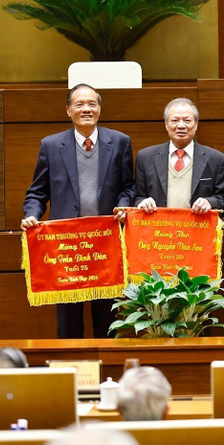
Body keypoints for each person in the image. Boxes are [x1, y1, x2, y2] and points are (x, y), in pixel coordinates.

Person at [21, 83, 135, 339]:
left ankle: (108, 376)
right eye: (80, 104)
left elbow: (129, 187)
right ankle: (71, 374)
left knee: (107, 319)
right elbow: (38, 192)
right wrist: (32, 214)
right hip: (66, 249)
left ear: (99, 109)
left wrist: (123, 205)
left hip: (105, 246)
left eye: (92, 104)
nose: (86, 109)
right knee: (68, 322)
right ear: (68, 110)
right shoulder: (51, 145)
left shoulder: (119, 142)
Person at [135, 98, 224, 214]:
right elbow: (137, 197)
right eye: (174, 120)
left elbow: (223, 200)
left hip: (198, 228)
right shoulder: (145, 157)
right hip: (158, 229)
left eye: (187, 120)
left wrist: (209, 202)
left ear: (196, 125)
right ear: (166, 124)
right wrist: (142, 202)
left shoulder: (216, 159)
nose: (181, 126)